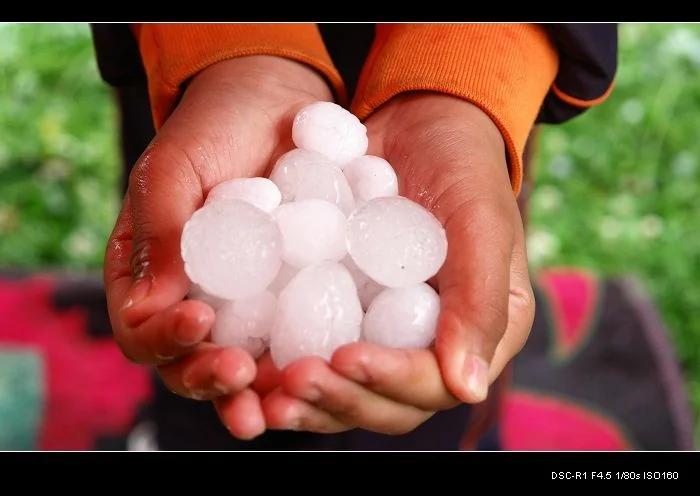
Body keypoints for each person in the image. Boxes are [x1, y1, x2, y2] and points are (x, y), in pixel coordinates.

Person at [91, 23, 617, 449]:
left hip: (468, 80)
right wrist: (225, 47)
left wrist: (469, 66)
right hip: (204, 79)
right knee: (195, 341)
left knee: (458, 305)